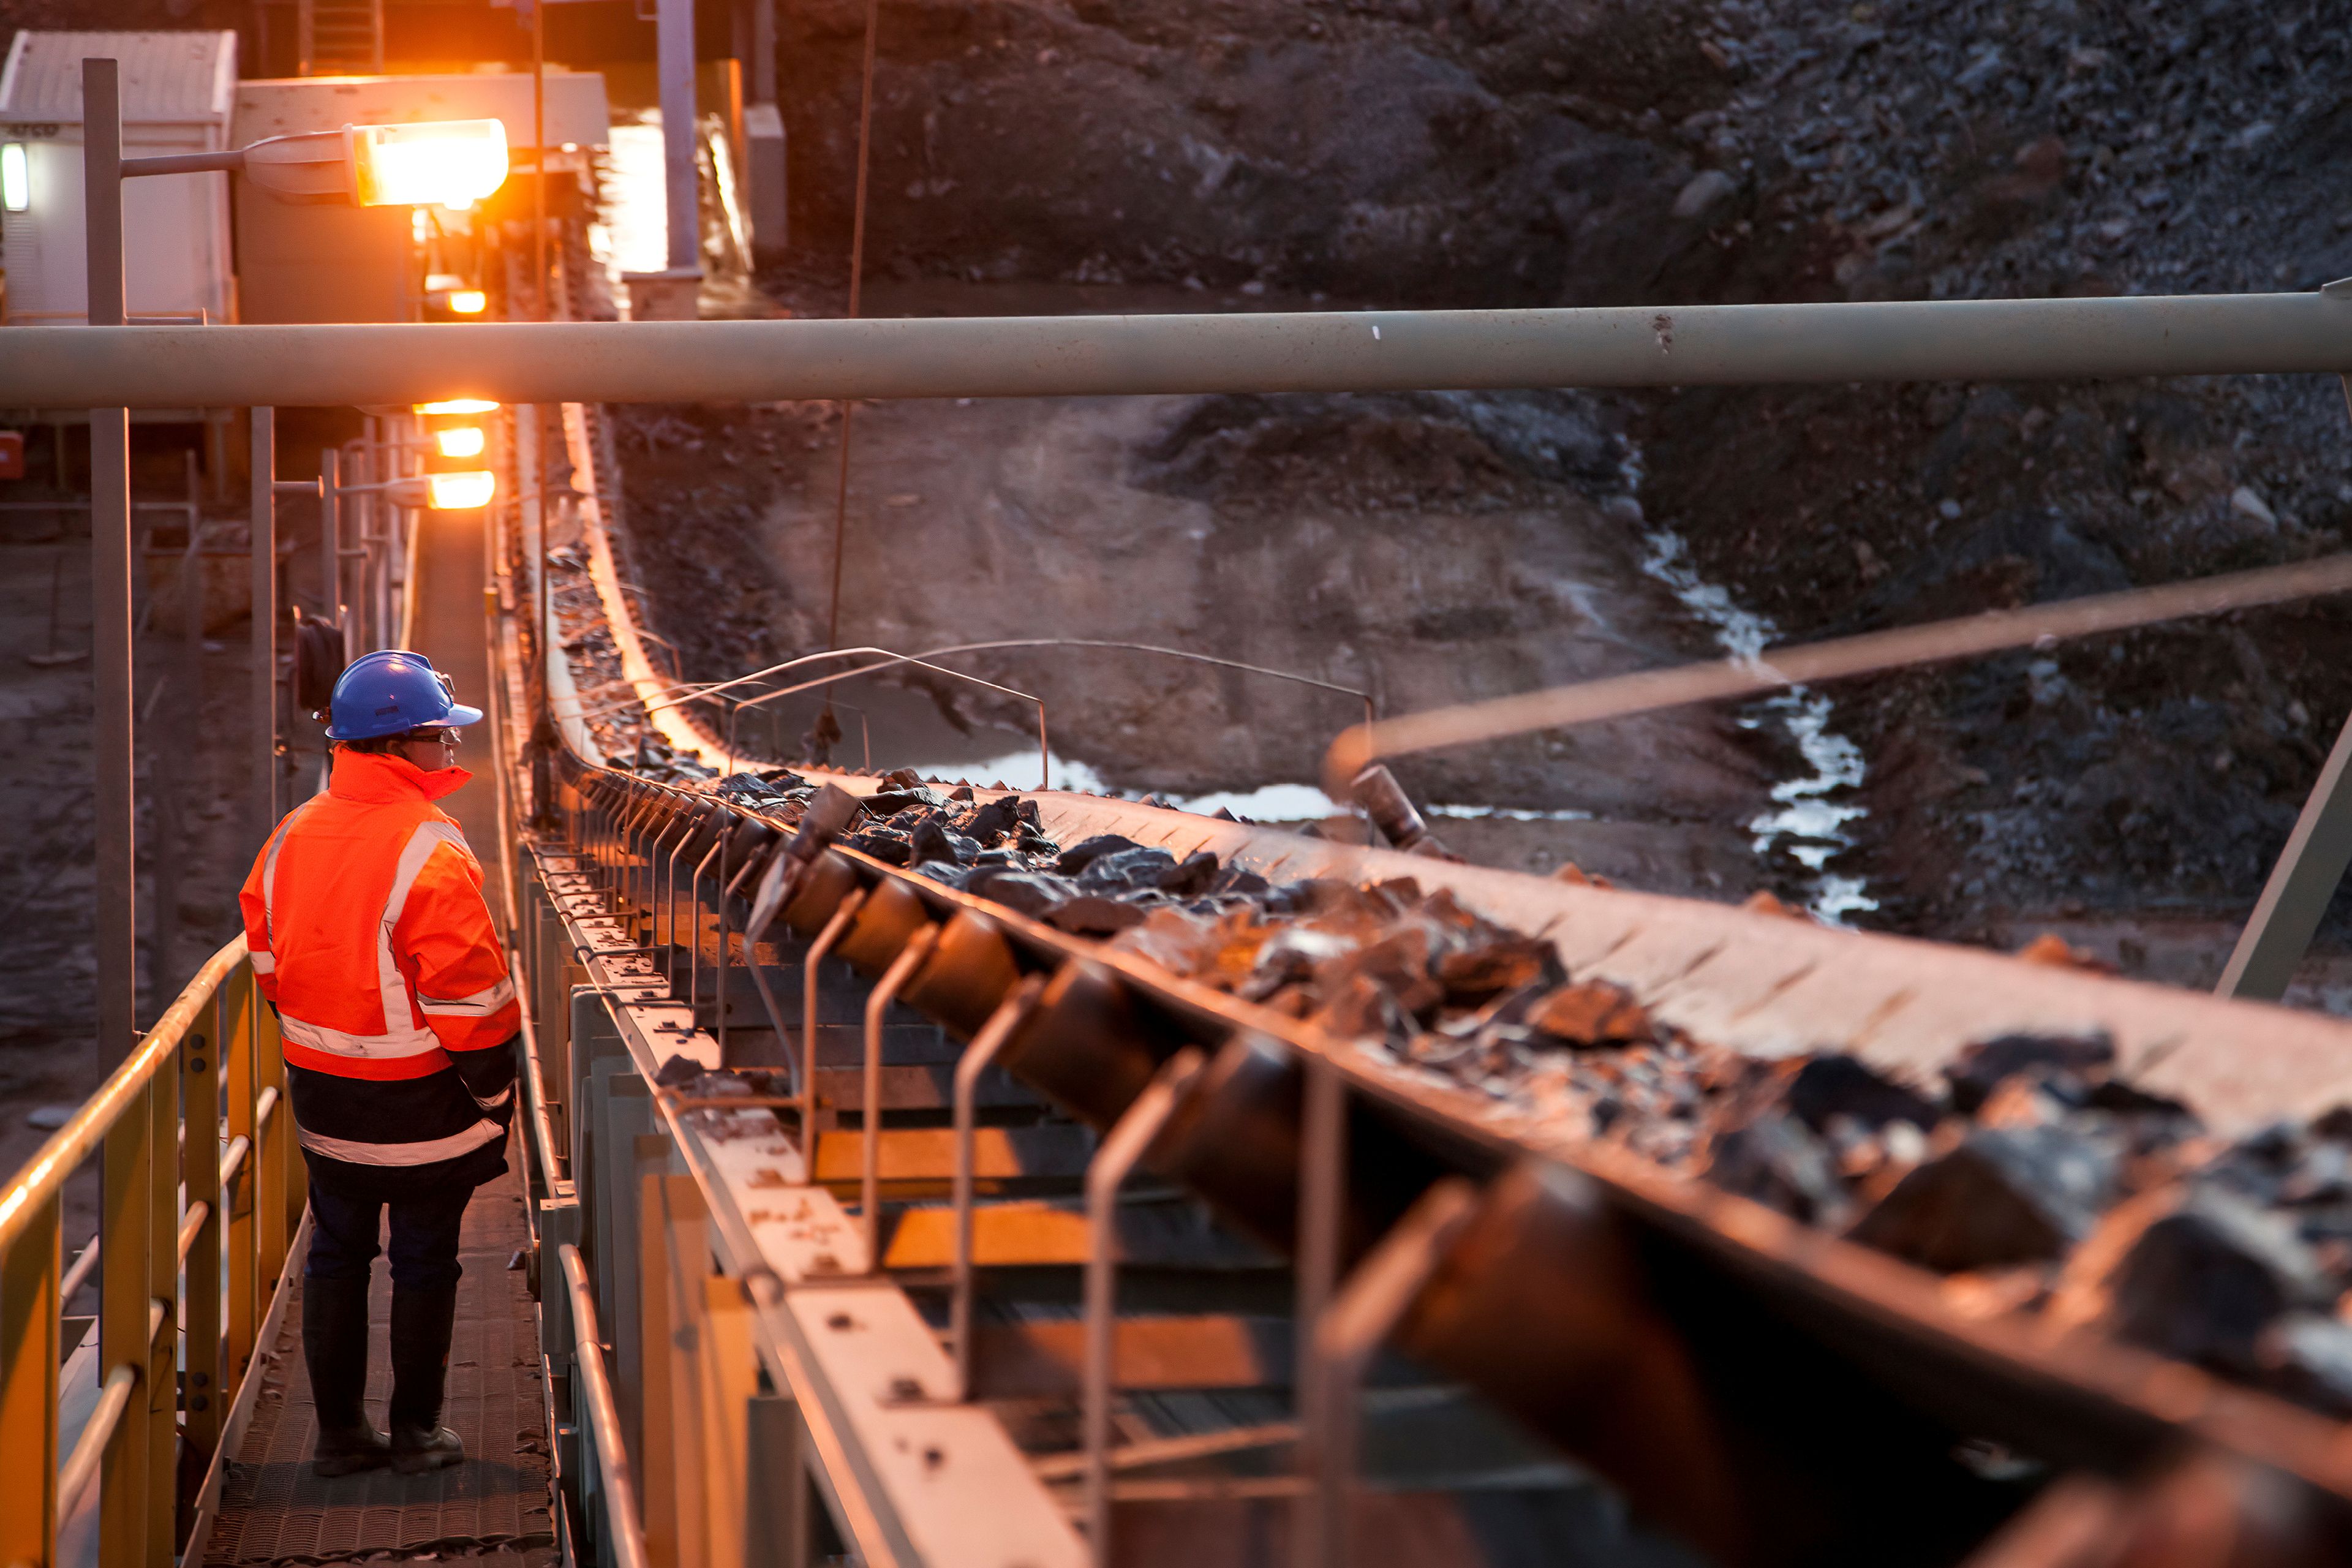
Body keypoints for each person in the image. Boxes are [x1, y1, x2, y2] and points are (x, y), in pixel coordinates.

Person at [238, 650, 519, 1477]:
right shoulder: (428, 847)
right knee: (425, 1258)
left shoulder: (290, 837)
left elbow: (266, 962)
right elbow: (472, 1001)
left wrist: (325, 1039)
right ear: (403, 746)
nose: (452, 753)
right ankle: (417, 1433)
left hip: (326, 1102)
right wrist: (492, 1094)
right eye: (442, 737)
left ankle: (337, 1437)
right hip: (420, 1106)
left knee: (337, 1251)